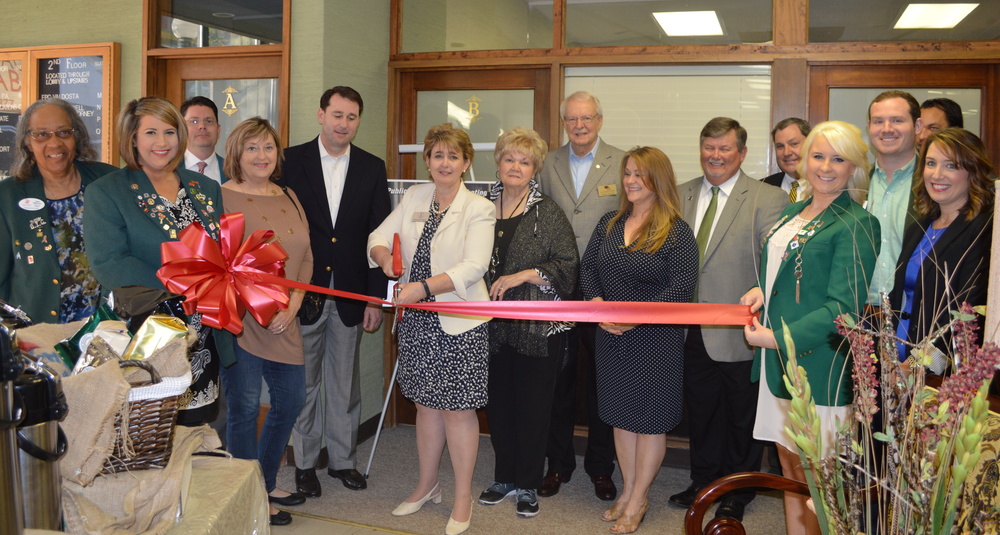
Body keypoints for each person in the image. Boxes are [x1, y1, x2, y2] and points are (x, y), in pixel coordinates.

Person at [740, 120, 881, 535]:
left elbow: (843, 307)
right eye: (818, 156)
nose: (825, 167)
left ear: (854, 167)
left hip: (818, 365)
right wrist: (762, 290)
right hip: (778, 365)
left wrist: (776, 339)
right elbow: (784, 273)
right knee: (790, 468)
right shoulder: (793, 211)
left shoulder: (857, 223)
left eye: (838, 159)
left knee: (819, 479)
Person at [368, 123, 494, 535]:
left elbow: (473, 267)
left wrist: (421, 288)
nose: (445, 163)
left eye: (453, 156)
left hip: (459, 322)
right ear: (427, 161)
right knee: (425, 405)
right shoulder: (415, 196)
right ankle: (427, 485)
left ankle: (462, 496)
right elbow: (378, 235)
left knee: (458, 411)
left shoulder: (479, 207)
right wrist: (385, 259)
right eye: (438, 155)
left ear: (466, 163)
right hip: (418, 322)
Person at [83, 96, 234, 426]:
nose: (162, 142)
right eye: (151, 132)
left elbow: (223, 249)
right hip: (145, 335)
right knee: (149, 431)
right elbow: (110, 263)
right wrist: (184, 286)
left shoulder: (204, 187)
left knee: (199, 428)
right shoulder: (107, 192)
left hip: (202, 335)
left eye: (170, 132)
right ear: (132, 137)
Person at [670, 117, 788, 522]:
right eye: (709, 147)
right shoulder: (679, 193)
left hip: (741, 328)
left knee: (741, 416)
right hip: (689, 328)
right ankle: (703, 481)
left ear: (742, 153)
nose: (715, 155)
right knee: (701, 410)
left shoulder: (768, 198)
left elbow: (775, 264)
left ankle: (738, 490)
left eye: (724, 148)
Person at [580, 146, 697, 534]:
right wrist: (597, 306)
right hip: (611, 337)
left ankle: (639, 498)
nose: (630, 180)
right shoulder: (609, 223)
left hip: (655, 341)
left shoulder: (676, 230)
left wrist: (636, 318)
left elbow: (681, 288)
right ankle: (628, 490)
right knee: (620, 418)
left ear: (658, 180)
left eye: (639, 174)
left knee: (649, 422)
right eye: (628, 173)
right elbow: (588, 270)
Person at [281, 86, 390, 497]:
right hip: (301, 293)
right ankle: (305, 464)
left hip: (350, 293)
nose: (344, 124)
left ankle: (343, 461)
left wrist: (374, 298)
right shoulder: (290, 161)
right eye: (337, 114)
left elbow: (379, 234)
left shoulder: (371, 167)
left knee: (344, 383)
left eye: (352, 117)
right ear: (321, 115)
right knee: (305, 383)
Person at [478, 127, 578, 519]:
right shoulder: (480, 206)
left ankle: (527, 483)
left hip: (537, 328)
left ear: (535, 168)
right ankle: (504, 477)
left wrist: (522, 275)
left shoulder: (546, 211)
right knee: (499, 404)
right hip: (491, 325)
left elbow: (567, 265)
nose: (516, 167)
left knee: (533, 408)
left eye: (525, 161)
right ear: (498, 161)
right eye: (510, 158)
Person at [219, 117, 312, 526]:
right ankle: (247, 497)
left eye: (268, 147)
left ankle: (265, 480)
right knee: (242, 408)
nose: (261, 155)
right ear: (236, 153)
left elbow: (306, 257)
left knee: (290, 401)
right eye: (252, 147)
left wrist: (294, 304)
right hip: (242, 319)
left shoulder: (288, 194)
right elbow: (218, 262)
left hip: (286, 317)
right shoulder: (221, 196)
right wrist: (258, 306)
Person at [538, 90, 624, 502]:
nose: (579, 125)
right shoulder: (547, 163)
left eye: (586, 118)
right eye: (572, 119)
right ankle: (558, 463)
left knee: (602, 381)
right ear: (564, 123)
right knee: (559, 379)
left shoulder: (623, 163)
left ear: (600, 120)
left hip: (604, 287)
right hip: (558, 286)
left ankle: (601, 467)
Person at [1, 98, 116, 323]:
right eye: (42, 135)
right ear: (27, 142)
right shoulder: (7, 196)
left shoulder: (109, 181)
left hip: (107, 329)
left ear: (76, 136)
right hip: (37, 334)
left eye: (64, 132)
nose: (54, 143)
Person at [889, 128, 993, 372]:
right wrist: (887, 353)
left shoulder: (983, 231)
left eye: (951, 166)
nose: (937, 174)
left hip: (940, 376)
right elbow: (899, 297)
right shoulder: (919, 227)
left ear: (973, 171)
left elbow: (967, 317)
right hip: (898, 364)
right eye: (931, 163)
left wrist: (914, 366)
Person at [865, 90, 923, 311]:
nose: (887, 129)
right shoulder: (855, 183)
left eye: (897, 120)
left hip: (915, 312)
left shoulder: (936, 184)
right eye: (878, 121)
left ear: (917, 126)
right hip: (860, 313)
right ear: (869, 126)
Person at [763, 117, 811, 201]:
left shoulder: (827, 186)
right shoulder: (762, 187)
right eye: (780, 146)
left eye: (794, 144)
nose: (786, 153)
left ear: (810, 144)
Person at [181, 96, 227, 184]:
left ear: (218, 130)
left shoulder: (235, 171)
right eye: (194, 121)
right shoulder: (168, 169)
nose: (202, 126)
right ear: (182, 129)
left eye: (208, 121)